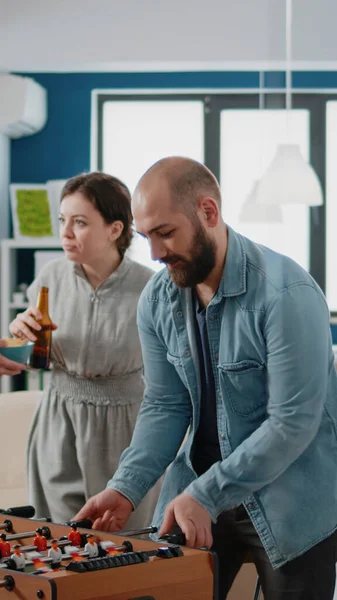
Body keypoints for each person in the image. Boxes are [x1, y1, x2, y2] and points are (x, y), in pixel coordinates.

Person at [74, 157, 337, 600]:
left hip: (294, 500)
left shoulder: (286, 294)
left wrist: (207, 493)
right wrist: (125, 488)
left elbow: (292, 424)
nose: (155, 253)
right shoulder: (159, 298)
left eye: (165, 233)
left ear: (208, 212)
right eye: (146, 237)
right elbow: (165, 404)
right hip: (198, 495)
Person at [9, 171, 160, 528]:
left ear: (115, 229)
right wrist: (18, 335)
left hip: (126, 427)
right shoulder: (51, 277)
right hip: (59, 422)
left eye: (79, 222)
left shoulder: (151, 288)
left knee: (127, 541)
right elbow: (30, 358)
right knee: (62, 540)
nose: (65, 232)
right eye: (63, 220)